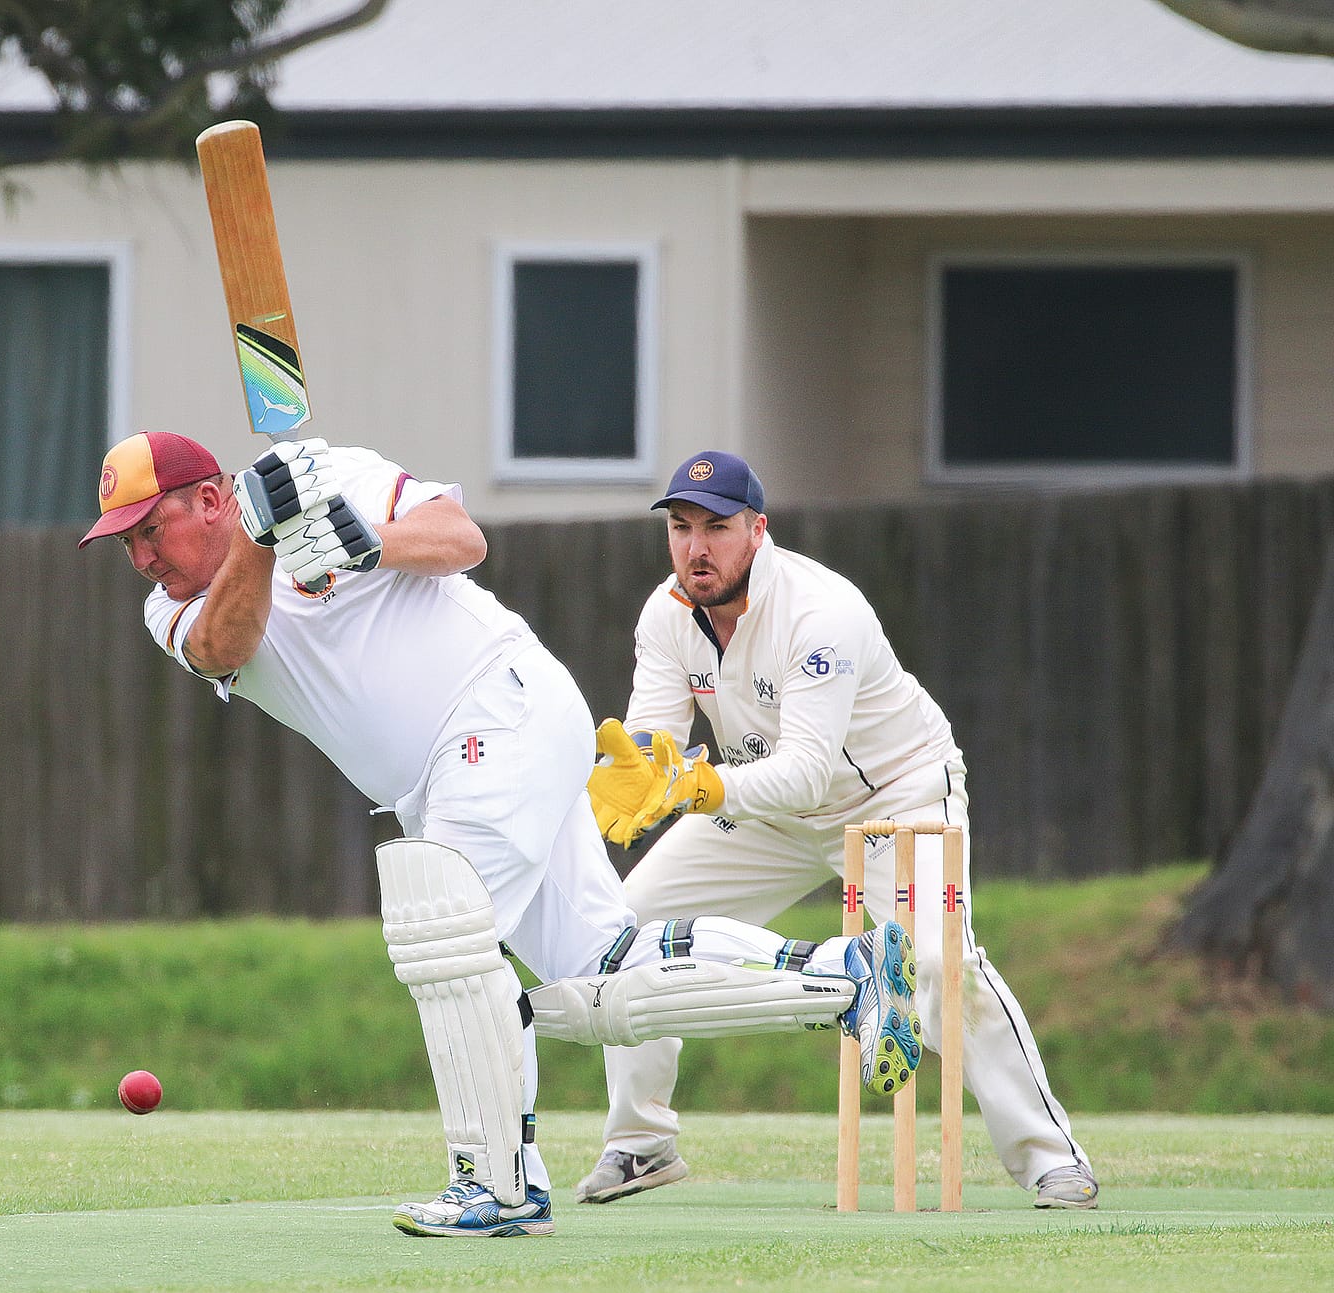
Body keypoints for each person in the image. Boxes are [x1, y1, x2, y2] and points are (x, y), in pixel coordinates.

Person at [82, 429, 922, 1237]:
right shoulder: (172, 611)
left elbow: (461, 539)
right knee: (600, 972)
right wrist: (264, 541)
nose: (143, 558)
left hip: (494, 709)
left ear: (209, 500)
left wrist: (364, 540)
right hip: (453, 770)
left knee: (444, 942)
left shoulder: (332, 473)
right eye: (126, 543)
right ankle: (844, 976)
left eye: (151, 531)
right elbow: (226, 645)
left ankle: (497, 1182)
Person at [576, 449, 1096, 1210]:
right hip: (764, 806)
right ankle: (640, 1143)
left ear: (757, 531)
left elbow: (809, 773)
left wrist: (698, 787)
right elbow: (657, 744)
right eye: (681, 528)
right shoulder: (666, 614)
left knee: (938, 962)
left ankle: (1052, 1158)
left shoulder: (820, 613)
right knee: (629, 928)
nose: (696, 547)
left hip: (894, 794)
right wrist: (638, 776)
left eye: (716, 528)